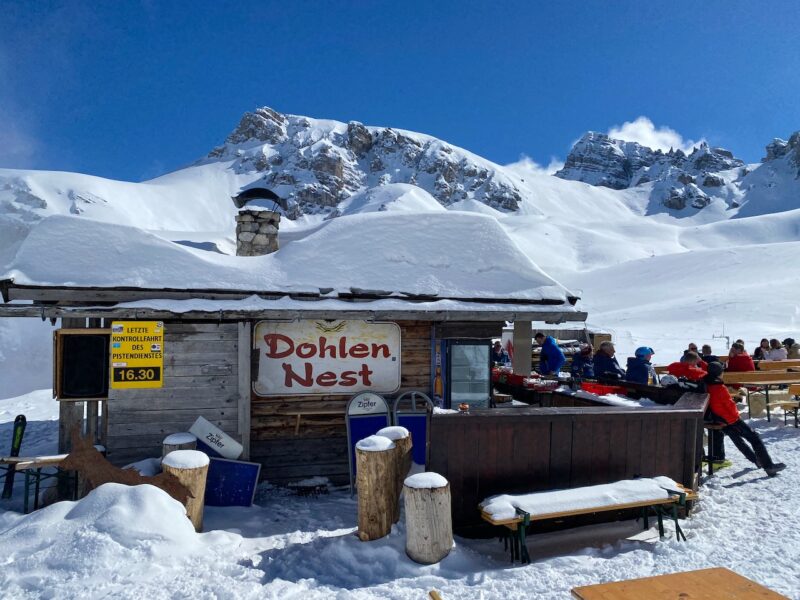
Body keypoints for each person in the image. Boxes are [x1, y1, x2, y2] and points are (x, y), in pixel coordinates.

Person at [703, 362, 785, 477]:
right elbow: (729, 406)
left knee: (737, 438)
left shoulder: (707, 384)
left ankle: (756, 460)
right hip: (729, 419)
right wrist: (737, 416)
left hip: (718, 418)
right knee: (754, 438)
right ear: (719, 373)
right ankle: (769, 466)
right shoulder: (719, 387)